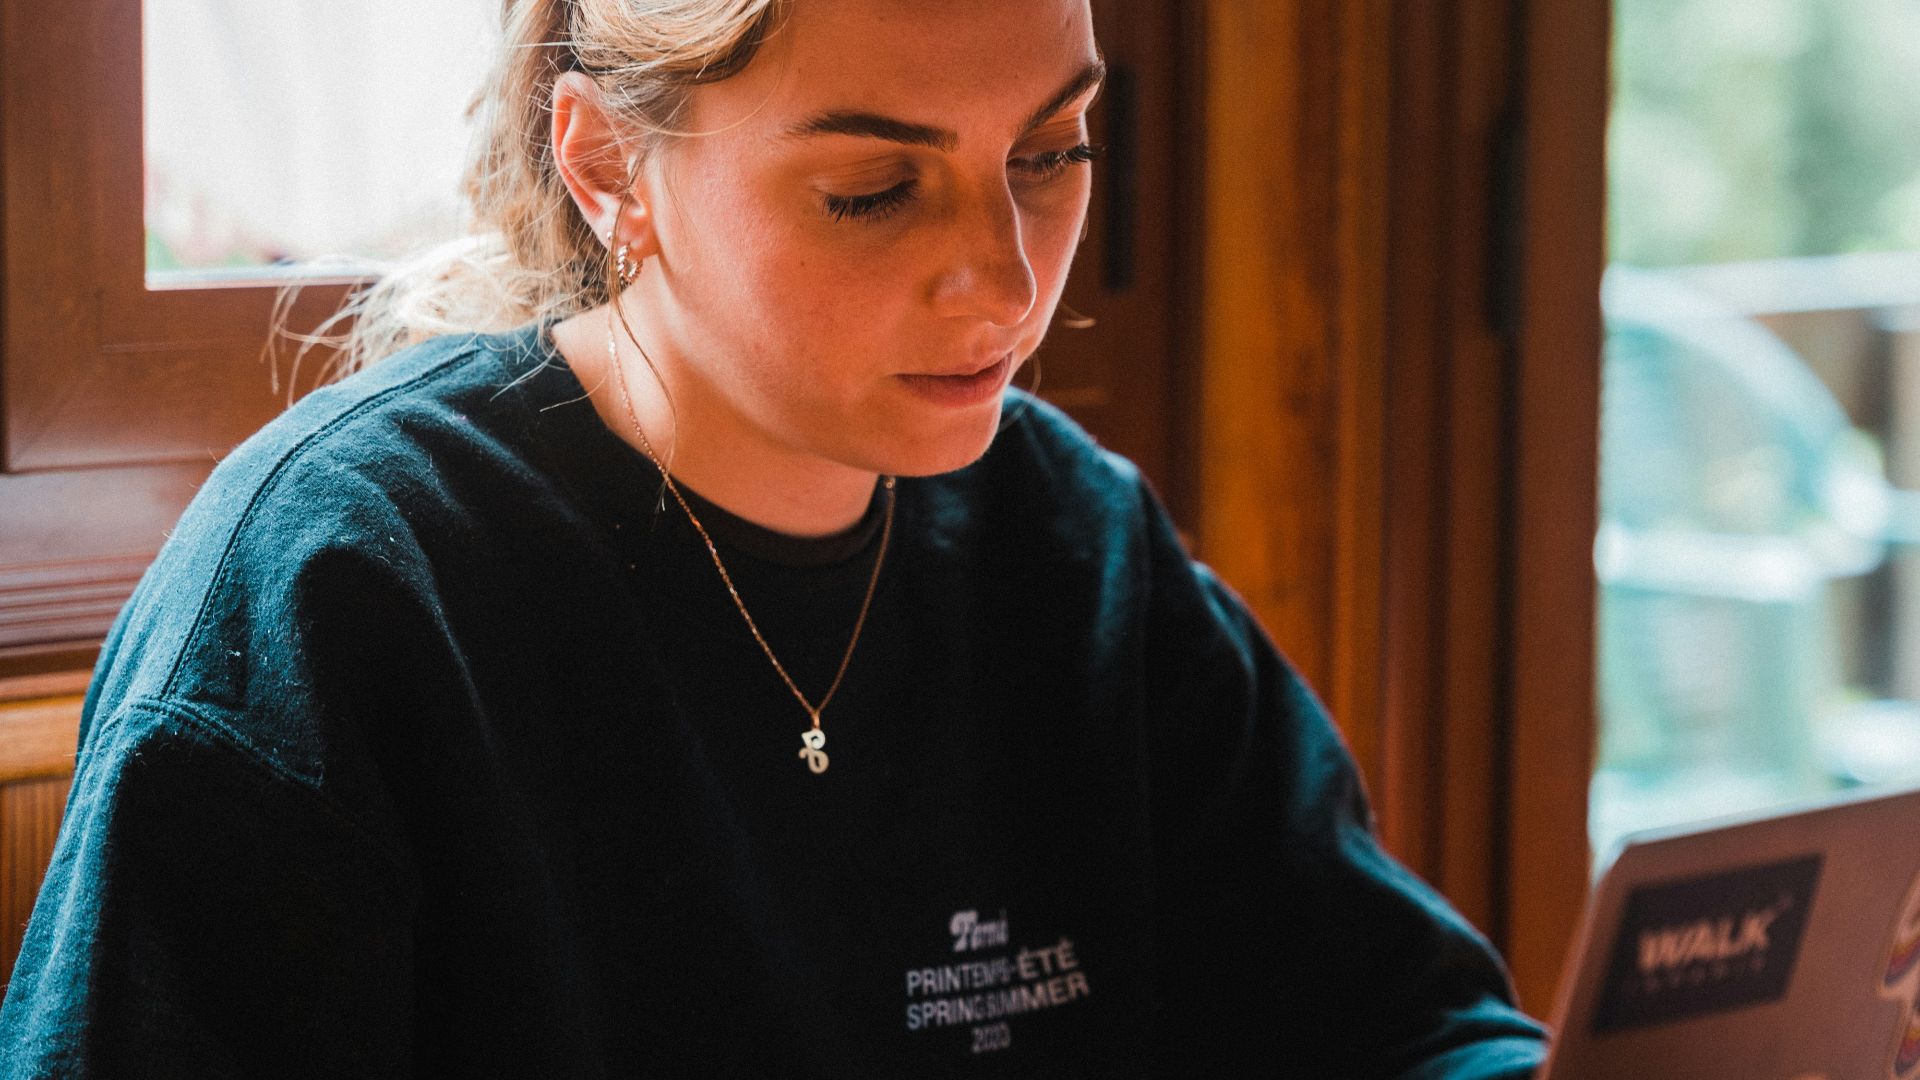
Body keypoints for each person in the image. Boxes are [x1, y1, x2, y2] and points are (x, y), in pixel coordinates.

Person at [0, 0, 1549, 1075]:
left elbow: (1392, 1024)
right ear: (609, 167)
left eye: (1053, 152)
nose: (1007, 284)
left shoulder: (1071, 545)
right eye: (876, 191)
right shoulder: (328, 607)